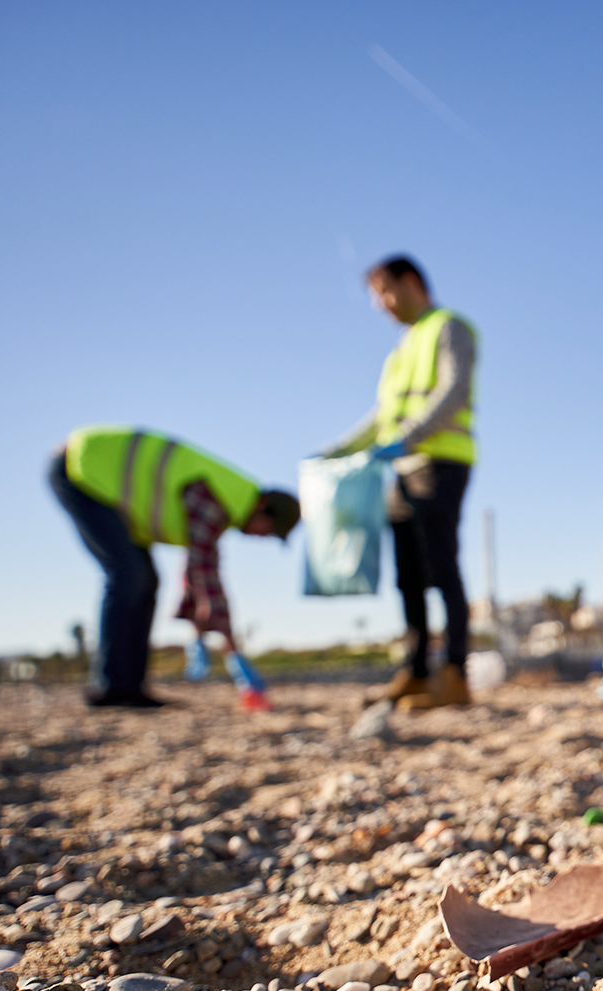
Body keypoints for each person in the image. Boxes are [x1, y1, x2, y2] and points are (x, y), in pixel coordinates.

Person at [49, 425, 299, 708]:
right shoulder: (218, 500)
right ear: (263, 507)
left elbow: (197, 570)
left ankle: (129, 686)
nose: (263, 538)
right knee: (129, 575)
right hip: (84, 470)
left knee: (144, 579)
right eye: (268, 530)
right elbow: (204, 571)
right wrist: (231, 648)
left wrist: (203, 621)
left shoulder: (227, 502)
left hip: (99, 477)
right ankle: (114, 686)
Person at [324, 255, 478, 711]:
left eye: (383, 293)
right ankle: (415, 671)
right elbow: (381, 418)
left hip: (441, 462)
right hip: (403, 471)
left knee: (443, 568)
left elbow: (454, 391)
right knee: (408, 576)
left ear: (410, 283)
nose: (380, 305)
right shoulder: (399, 352)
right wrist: (339, 450)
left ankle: (454, 673)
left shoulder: (450, 327)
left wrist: (406, 439)